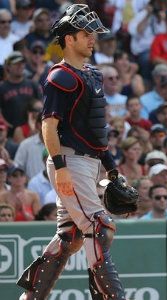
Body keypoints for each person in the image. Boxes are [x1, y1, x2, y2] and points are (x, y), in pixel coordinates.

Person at [16, 5, 128, 299]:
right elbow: (48, 127)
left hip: (89, 162)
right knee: (99, 225)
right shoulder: (60, 76)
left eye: (94, 33)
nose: (92, 38)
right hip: (69, 160)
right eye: (85, 33)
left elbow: (95, 131)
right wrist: (60, 165)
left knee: (71, 237)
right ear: (68, 38)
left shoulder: (93, 75)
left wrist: (111, 166)